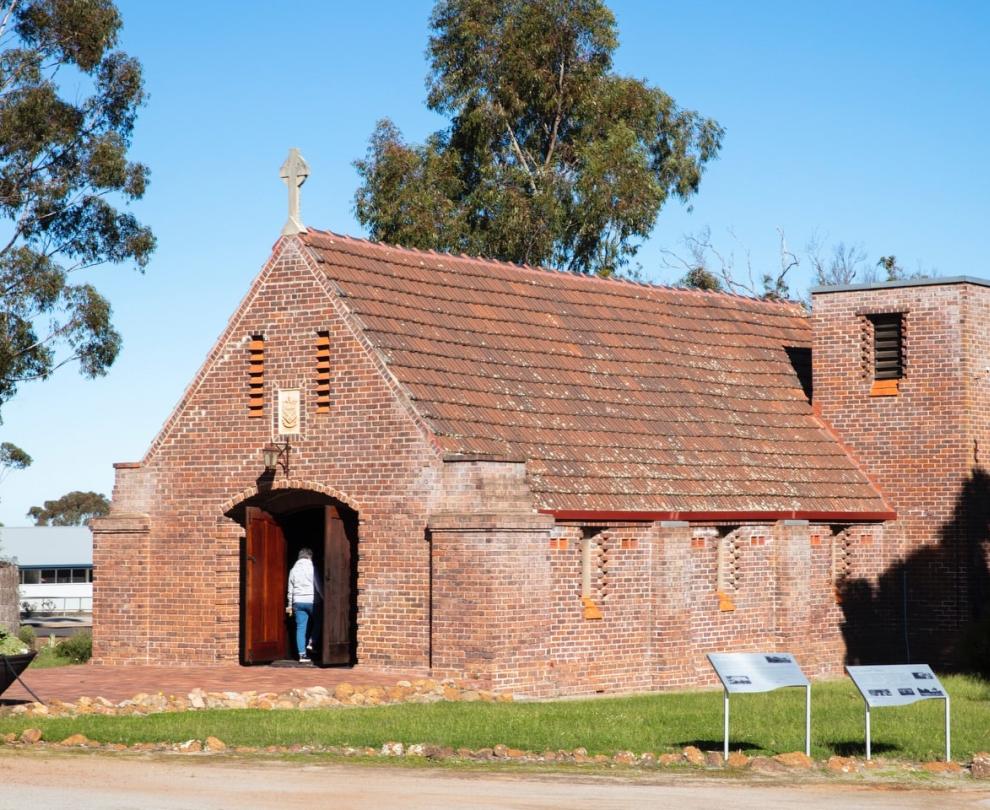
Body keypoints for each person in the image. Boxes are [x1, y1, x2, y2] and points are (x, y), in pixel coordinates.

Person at [286, 547, 321, 663]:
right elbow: (318, 586)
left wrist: (290, 605)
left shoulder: (293, 570)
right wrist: (324, 598)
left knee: (300, 628)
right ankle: (311, 642)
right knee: (318, 622)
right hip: (312, 601)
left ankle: (302, 655)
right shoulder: (312, 568)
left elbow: (290, 589)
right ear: (310, 556)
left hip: (298, 602)